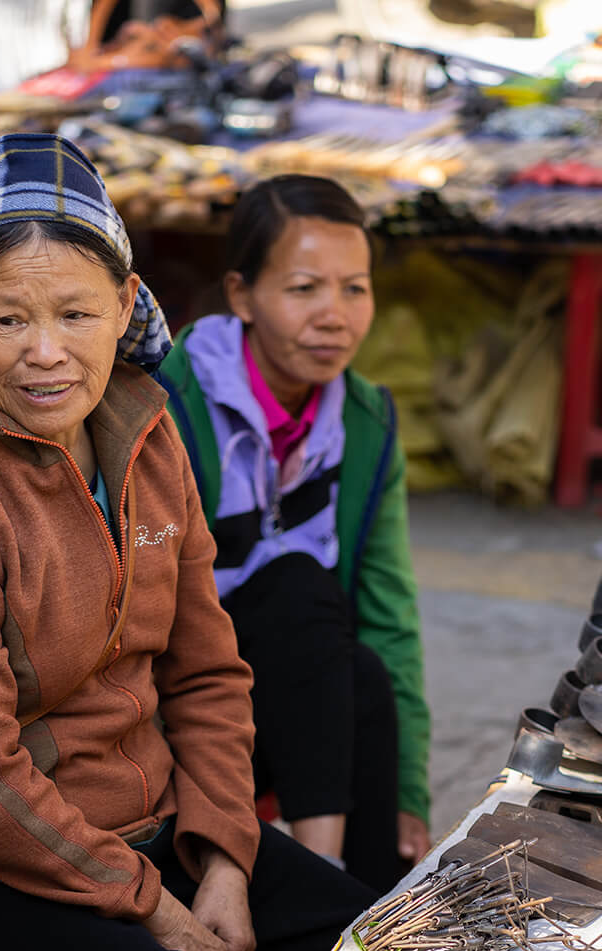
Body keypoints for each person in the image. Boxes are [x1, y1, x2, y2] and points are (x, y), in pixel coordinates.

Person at [0, 133, 370, 951]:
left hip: (149, 825)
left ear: (126, 304)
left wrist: (223, 863)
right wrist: (156, 910)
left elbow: (206, 672)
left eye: (77, 313)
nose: (46, 354)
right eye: (7, 320)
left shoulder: (143, 431)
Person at [160, 174, 431, 894]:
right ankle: (330, 889)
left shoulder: (365, 421)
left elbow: (388, 615)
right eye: (304, 288)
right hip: (177, 720)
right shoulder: (167, 407)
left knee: (364, 671)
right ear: (242, 295)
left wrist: (411, 790)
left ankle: (366, 922)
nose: (334, 317)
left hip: (301, 710)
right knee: (295, 585)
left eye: (354, 289)